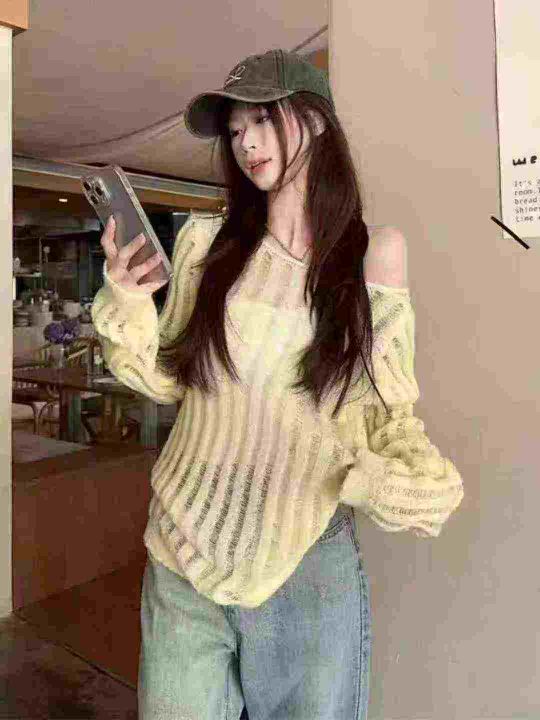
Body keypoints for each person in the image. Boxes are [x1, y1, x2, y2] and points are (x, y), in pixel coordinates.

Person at [92, 48, 464, 720]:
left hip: (305, 564)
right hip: (182, 551)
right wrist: (126, 297)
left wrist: (394, 479)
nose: (246, 143)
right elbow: (165, 377)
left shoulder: (372, 255)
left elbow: (387, 413)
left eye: (263, 119)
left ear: (316, 121)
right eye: (236, 130)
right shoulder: (207, 244)